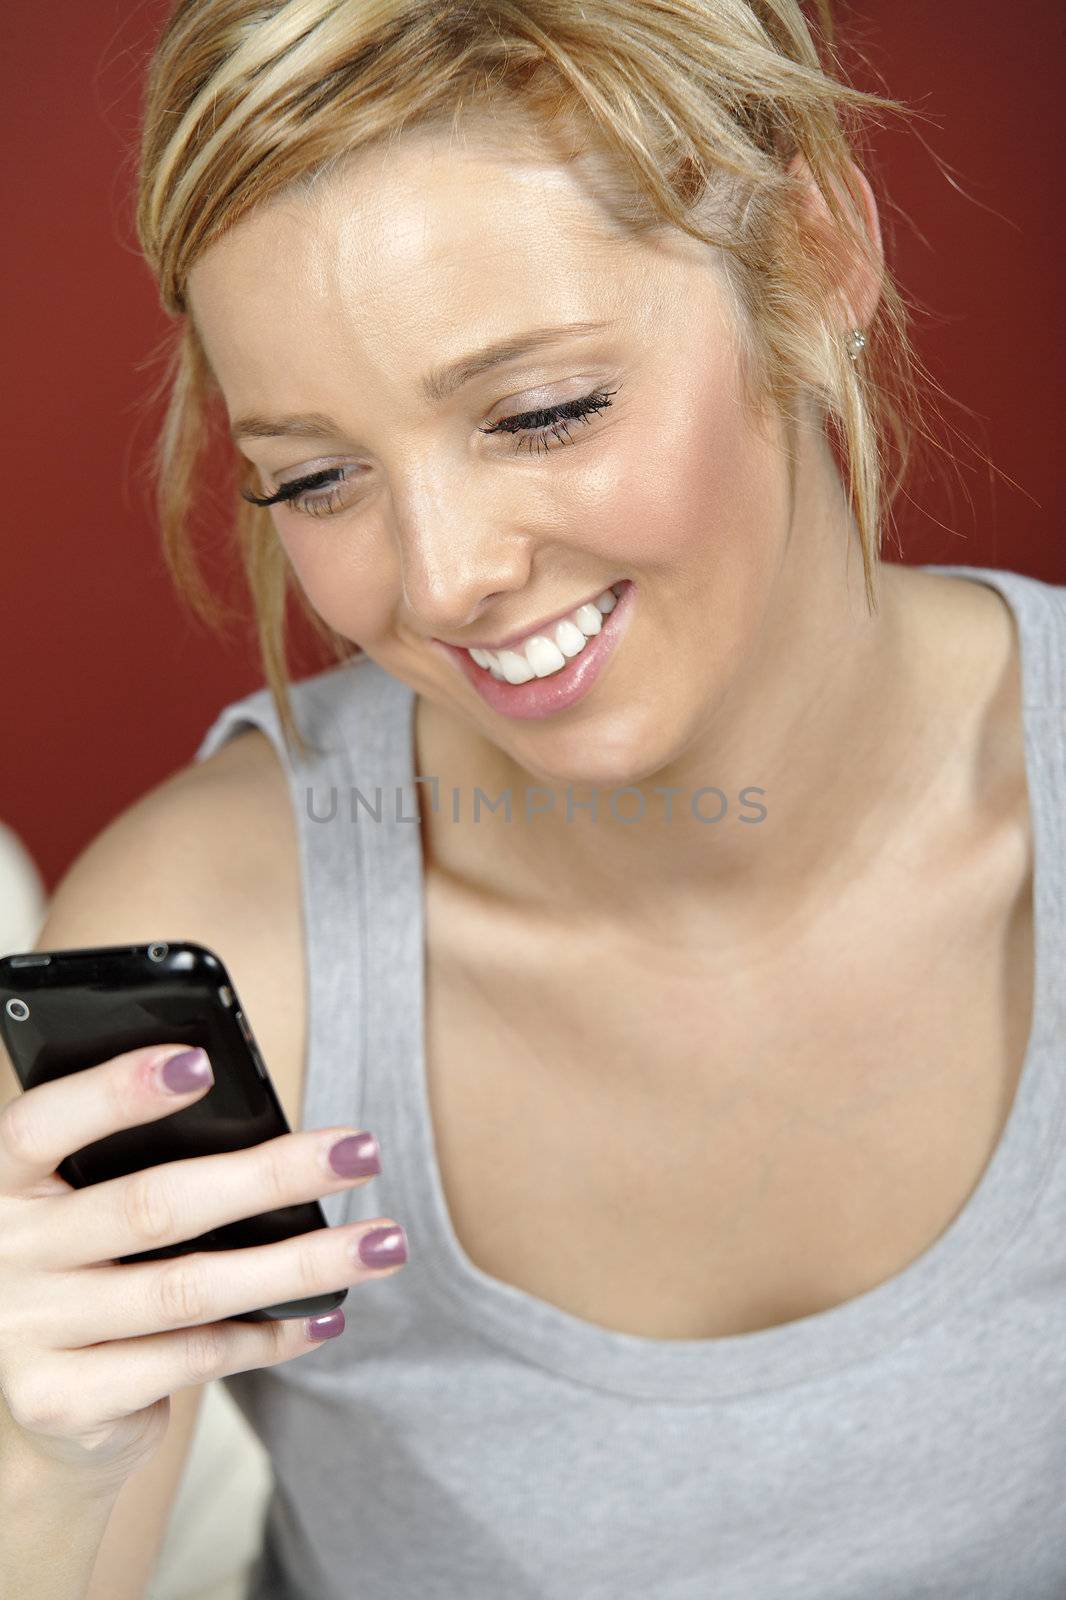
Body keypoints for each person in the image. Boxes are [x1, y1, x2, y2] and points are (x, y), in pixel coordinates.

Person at [3, 4, 1064, 1598]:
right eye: (314, 477)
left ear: (816, 254)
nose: (443, 582)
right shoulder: (221, 948)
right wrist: (40, 1457)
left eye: (541, 410)